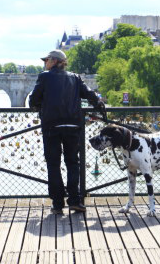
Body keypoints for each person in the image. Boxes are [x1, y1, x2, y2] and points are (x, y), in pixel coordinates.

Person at [29, 49, 103, 215]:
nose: (44, 63)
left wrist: (40, 105)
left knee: (53, 165)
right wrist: (98, 103)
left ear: (54, 61)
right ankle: (75, 200)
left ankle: (57, 203)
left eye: (46, 60)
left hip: (51, 127)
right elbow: (89, 94)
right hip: (73, 126)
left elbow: (33, 101)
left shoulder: (44, 77)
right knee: (73, 163)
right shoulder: (75, 78)